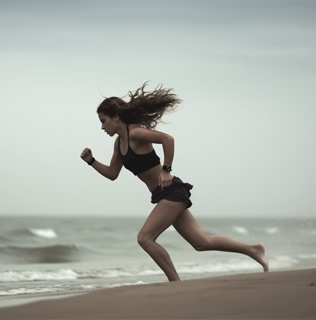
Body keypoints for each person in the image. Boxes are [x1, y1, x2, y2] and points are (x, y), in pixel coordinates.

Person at [80, 83, 268, 281]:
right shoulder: (119, 143)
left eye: (103, 121)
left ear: (115, 117)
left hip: (171, 191)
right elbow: (112, 173)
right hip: (162, 195)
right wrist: (91, 161)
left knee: (145, 238)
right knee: (201, 242)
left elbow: (167, 139)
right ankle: (252, 249)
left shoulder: (134, 133)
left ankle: (175, 283)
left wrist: (166, 170)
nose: (102, 127)